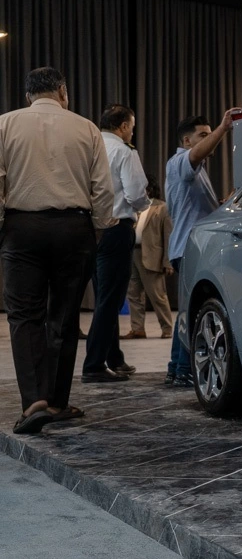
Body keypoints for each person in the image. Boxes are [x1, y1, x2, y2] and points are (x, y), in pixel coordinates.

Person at [0, 67, 115, 434]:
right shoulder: (87, 128)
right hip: (74, 228)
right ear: (63, 92)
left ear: (28, 95)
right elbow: (103, 188)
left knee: (24, 316)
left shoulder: (5, 124)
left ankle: (34, 401)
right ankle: (57, 403)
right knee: (64, 318)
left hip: (21, 228)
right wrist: (97, 229)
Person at [164, 108, 239, 387]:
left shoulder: (197, 171)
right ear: (187, 141)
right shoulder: (180, 161)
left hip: (192, 248)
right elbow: (195, 155)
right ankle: (183, 369)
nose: (209, 140)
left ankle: (178, 369)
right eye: (203, 135)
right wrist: (223, 128)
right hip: (188, 248)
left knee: (188, 310)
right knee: (191, 311)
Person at [82, 104, 150, 383]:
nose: (132, 132)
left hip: (89, 230)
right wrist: (143, 206)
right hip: (116, 229)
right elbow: (135, 194)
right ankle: (94, 365)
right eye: (131, 127)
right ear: (123, 127)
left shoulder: (88, 147)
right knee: (111, 300)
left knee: (104, 297)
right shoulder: (124, 151)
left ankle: (114, 358)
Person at [123, 178, 174, 340]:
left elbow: (168, 236)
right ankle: (137, 329)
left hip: (152, 256)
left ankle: (167, 328)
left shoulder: (162, 207)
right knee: (134, 295)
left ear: (149, 189)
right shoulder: (134, 206)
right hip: (133, 253)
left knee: (157, 295)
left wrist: (167, 261)